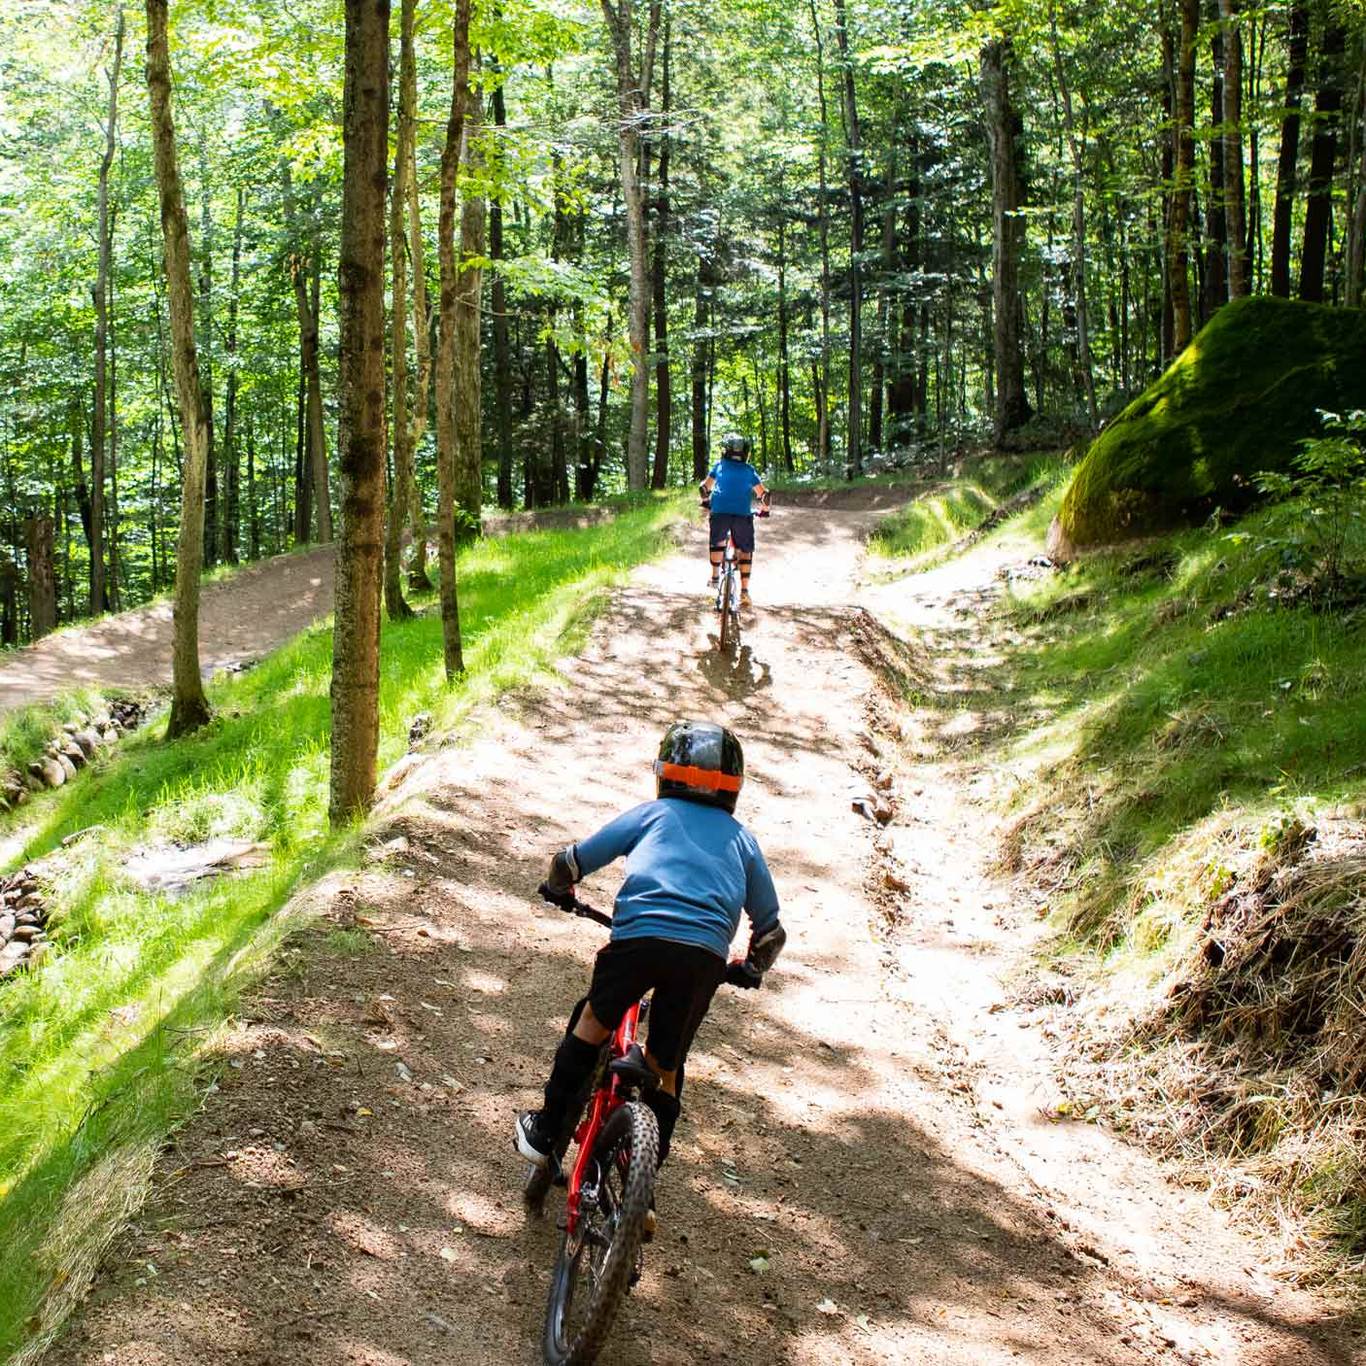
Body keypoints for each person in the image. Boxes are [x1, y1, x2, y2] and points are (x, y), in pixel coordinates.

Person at [515, 720, 786, 1212]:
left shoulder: (652, 815)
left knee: (594, 1022)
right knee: (665, 1067)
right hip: (702, 960)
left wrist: (559, 887)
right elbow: (770, 932)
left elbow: (571, 862)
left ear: (665, 773)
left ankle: (547, 1129)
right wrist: (750, 968)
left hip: (638, 941)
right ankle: (644, 1187)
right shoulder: (743, 841)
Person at [699, 433, 769, 608]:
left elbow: (704, 487)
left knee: (717, 541)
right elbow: (764, 495)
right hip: (742, 514)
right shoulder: (749, 470)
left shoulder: (719, 465)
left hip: (720, 510)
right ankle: (744, 592)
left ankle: (715, 576)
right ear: (746, 453)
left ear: (725, 450)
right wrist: (765, 509)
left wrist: (706, 501)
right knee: (746, 550)